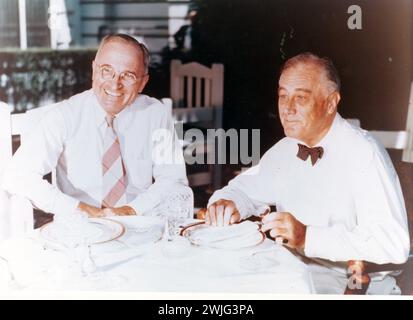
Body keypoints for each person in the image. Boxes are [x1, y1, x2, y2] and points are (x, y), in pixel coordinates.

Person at [205, 52, 410, 294]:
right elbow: (243, 189)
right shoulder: (286, 148)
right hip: (294, 273)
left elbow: (394, 244)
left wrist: (308, 238)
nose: (288, 109)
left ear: (331, 102)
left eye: (300, 98)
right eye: (283, 96)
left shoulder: (363, 152)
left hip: (353, 284)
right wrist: (231, 202)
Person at [2, 34, 188, 219]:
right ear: (94, 70)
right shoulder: (65, 115)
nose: (115, 84)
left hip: (139, 224)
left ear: (142, 82)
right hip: (80, 230)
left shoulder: (155, 113)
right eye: (107, 70)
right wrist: (79, 209)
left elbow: (173, 179)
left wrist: (131, 210)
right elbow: (18, 175)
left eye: (128, 75)